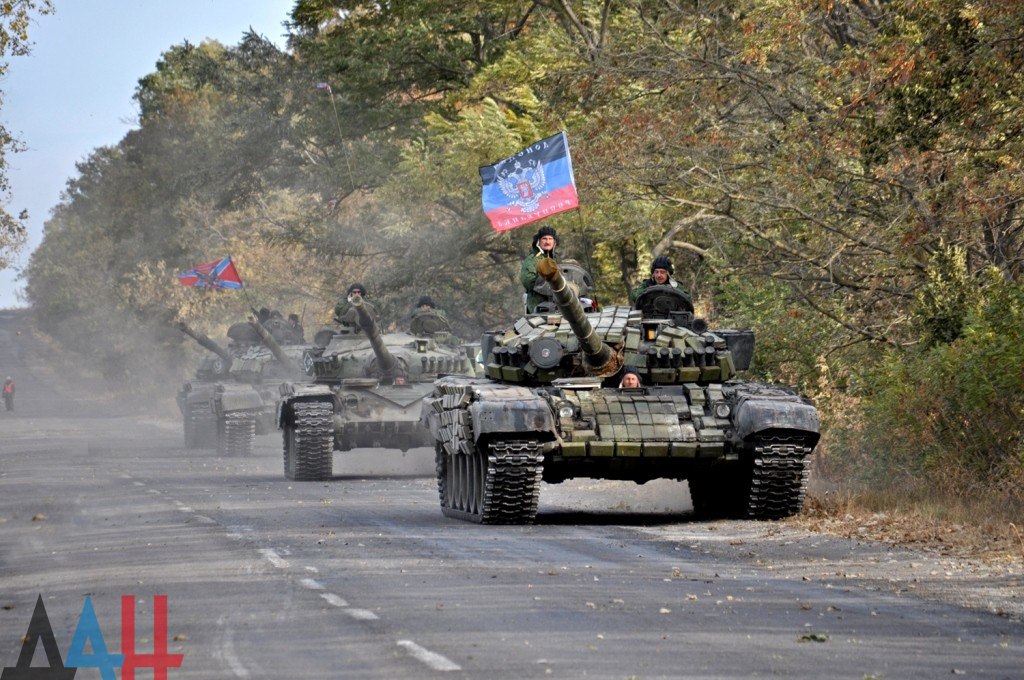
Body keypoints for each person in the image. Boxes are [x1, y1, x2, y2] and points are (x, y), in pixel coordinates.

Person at [520, 225, 558, 313]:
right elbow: (527, 280)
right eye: (544, 239)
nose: (547, 242)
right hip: (538, 304)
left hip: (558, 304)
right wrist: (545, 283)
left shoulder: (557, 259)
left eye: (550, 238)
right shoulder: (532, 259)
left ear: (554, 241)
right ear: (539, 241)